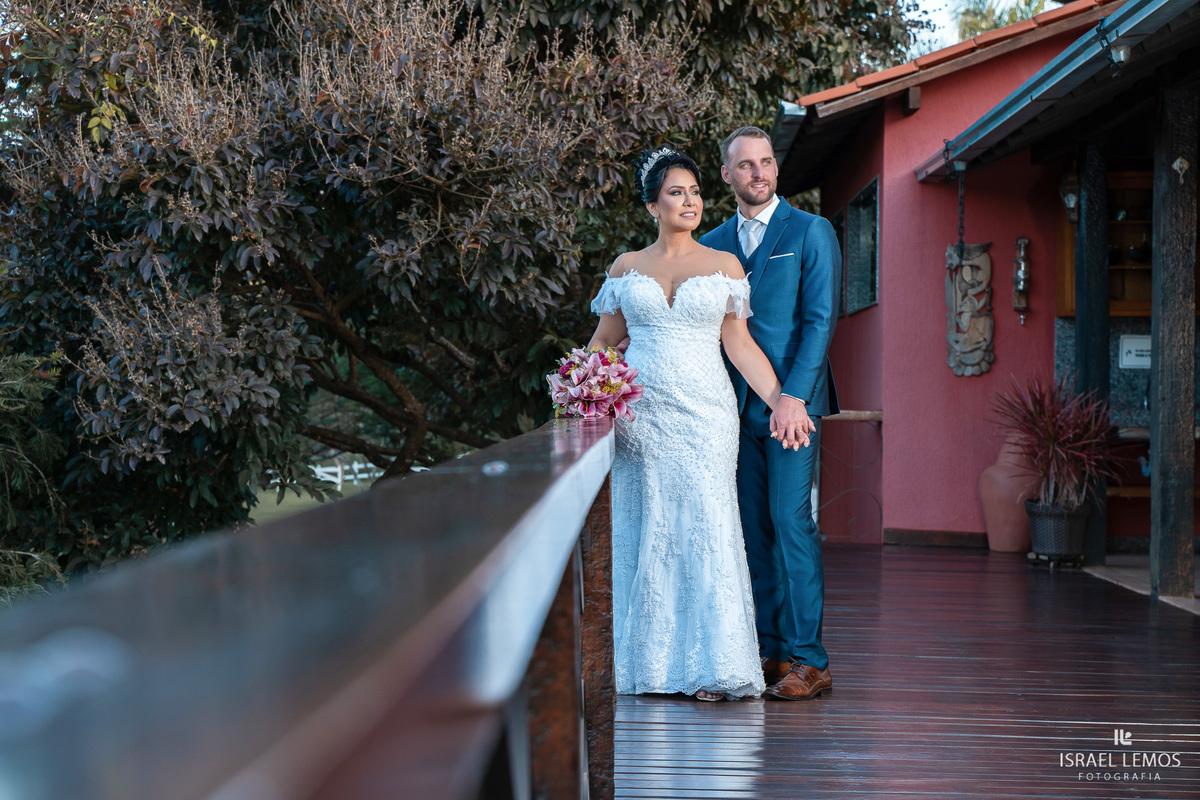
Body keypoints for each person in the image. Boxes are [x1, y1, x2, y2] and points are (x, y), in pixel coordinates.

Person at [587, 147, 802, 701]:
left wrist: (784, 402)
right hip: (642, 420)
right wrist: (579, 393)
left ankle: (713, 666)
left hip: (707, 416)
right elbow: (603, 344)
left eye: (696, 192)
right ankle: (648, 663)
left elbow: (740, 346)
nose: (690, 201)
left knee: (706, 525)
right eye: (676, 193)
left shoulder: (724, 266)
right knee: (649, 525)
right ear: (652, 206)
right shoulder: (626, 267)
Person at [698, 126, 840, 700]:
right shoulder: (710, 244)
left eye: (765, 162)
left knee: (791, 524)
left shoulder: (810, 231)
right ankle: (772, 651)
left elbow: (820, 321)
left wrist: (793, 397)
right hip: (729, 411)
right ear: (727, 175)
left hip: (792, 411)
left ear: (775, 169)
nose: (758, 172)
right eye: (745, 165)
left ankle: (812, 660)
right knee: (754, 532)